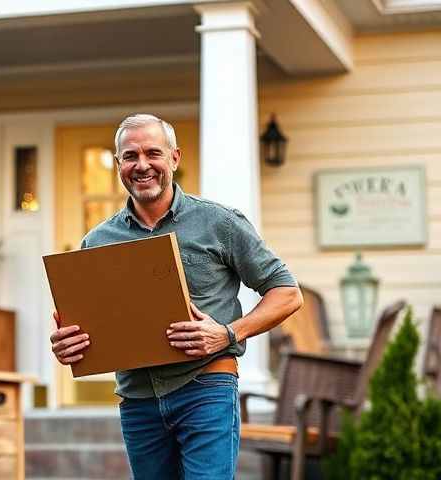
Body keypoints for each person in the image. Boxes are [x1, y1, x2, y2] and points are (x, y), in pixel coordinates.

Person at [48, 113, 303, 479]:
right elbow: (89, 328)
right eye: (130, 156)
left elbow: (287, 292)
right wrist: (67, 345)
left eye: (153, 153)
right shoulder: (97, 242)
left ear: (174, 158)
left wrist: (229, 333)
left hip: (206, 386)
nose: (142, 165)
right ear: (119, 164)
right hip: (138, 399)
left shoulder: (221, 223)